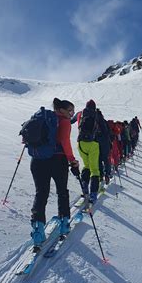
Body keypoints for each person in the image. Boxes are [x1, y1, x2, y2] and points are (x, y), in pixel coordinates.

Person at [30, 98, 79, 251]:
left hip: (37, 160)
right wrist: (72, 160)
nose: (71, 113)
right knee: (62, 191)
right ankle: (64, 224)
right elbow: (65, 141)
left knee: (41, 193)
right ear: (62, 110)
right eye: (70, 110)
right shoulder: (63, 121)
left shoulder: (42, 119)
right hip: (58, 160)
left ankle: (38, 231)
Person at [76, 99, 101, 204]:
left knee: (86, 166)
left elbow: (72, 121)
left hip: (81, 143)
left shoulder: (80, 114)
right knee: (94, 169)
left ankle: (85, 188)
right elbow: (103, 129)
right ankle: (93, 194)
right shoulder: (96, 115)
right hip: (93, 144)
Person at [95, 109, 112, 185]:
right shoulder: (104, 121)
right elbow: (108, 133)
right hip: (105, 143)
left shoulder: (93, 121)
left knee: (98, 159)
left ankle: (100, 175)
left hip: (96, 143)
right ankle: (107, 174)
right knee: (106, 159)